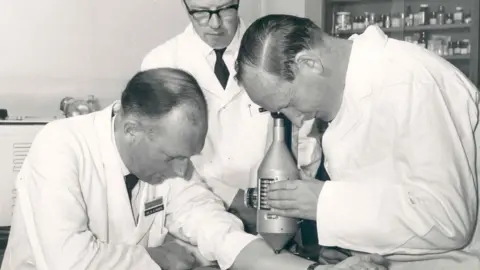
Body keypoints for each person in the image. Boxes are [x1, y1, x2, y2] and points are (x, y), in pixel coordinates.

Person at [0, 68, 388, 270]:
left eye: (190, 156)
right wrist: (161, 257)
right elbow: (71, 263)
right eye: (172, 157)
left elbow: (219, 233)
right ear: (131, 128)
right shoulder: (59, 146)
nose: (184, 169)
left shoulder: (172, 165)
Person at [234, 14, 480, 270]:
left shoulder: (410, 81)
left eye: (289, 104)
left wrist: (323, 204)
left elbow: (447, 221)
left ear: (309, 63)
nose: (295, 121)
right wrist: (349, 245)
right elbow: (390, 195)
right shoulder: (351, 91)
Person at [141, 0, 321, 234]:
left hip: (276, 214)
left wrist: (287, 202)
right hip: (197, 213)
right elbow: (159, 160)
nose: (215, 24)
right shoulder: (162, 62)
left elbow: (305, 136)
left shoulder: (275, 51)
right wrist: (234, 200)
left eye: (225, 9)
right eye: (201, 13)